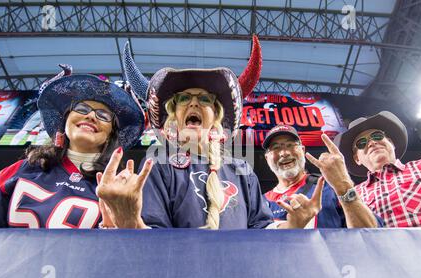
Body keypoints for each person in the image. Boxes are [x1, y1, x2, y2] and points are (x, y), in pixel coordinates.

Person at [96, 36, 283, 229]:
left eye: (204, 99)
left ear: (215, 117)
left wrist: (292, 224)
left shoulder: (242, 170)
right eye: (184, 98)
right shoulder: (158, 167)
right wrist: (130, 222)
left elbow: (263, 230)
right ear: (174, 116)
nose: (193, 103)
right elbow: (152, 239)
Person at [0, 65, 146, 228]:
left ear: (111, 135)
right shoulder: (22, 169)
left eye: (103, 115)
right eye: (82, 108)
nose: (91, 116)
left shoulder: (119, 186)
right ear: (64, 121)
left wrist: (118, 227)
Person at [262, 124, 382, 228]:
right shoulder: (259, 203)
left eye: (290, 145)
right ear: (267, 158)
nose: (284, 153)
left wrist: (343, 185)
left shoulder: (330, 186)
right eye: (276, 148)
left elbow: (370, 232)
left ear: (302, 150)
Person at [333, 111, 421, 227]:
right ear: (357, 159)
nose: (371, 142)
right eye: (361, 143)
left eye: (377, 136)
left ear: (391, 143)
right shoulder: (353, 194)